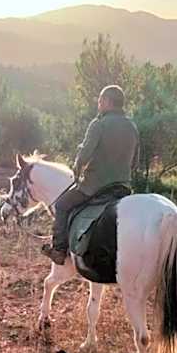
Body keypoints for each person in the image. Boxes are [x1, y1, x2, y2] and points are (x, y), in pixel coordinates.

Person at [41, 84, 139, 265]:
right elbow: (135, 163)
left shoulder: (98, 124)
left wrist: (77, 171)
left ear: (108, 102)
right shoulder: (132, 127)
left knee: (62, 205)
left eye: (100, 100)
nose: (98, 104)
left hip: (95, 187)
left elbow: (83, 155)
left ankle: (59, 250)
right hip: (123, 188)